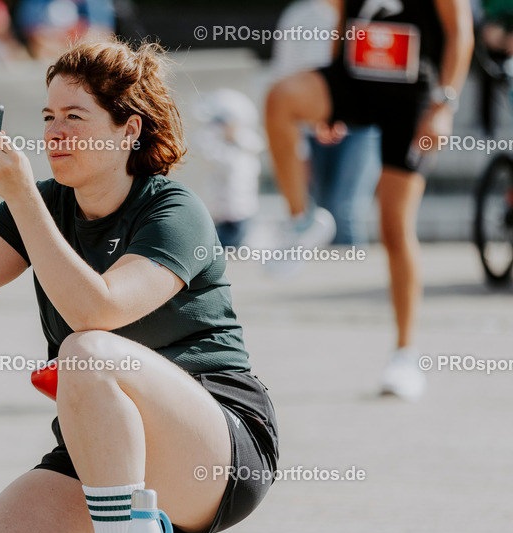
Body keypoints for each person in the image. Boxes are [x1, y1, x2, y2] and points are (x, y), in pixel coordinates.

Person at [0, 40, 279, 533]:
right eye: (48, 117)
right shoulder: (48, 204)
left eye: (75, 118)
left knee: (86, 349)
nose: (55, 133)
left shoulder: (174, 209)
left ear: (128, 130)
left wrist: (24, 199)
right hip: (105, 454)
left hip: (218, 451)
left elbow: (95, 310)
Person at [265, 0, 474, 401]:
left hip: (413, 95)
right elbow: (343, 19)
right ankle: (301, 220)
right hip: (355, 79)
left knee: (394, 227)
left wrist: (445, 105)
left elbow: (460, 32)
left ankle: (405, 354)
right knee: (281, 98)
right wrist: (330, 98)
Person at [271, 0, 381, 246]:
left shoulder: (369, 12)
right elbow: (285, 76)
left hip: (361, 127)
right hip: (314, 128)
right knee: (322, 213)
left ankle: (349, 279)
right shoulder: (298, 17)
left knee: (346, 211)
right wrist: (303, 146)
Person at [192, 89, 263, 248]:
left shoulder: (244, 148)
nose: (216, 127)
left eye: (221, 123)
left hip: (238, 216)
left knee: (227, 249)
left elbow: (227, 165)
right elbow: (203, 148)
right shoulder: (220, 147)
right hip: (220, 215)